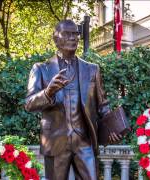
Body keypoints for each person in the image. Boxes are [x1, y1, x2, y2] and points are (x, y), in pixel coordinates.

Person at [25, 20, 121, 180]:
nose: (73, 37)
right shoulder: (41, 69)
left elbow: (103, 105)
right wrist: (48, 92)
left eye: (76, 34)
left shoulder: (92, 69)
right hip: (55, 141)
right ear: (55, 39)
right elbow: (28, 104)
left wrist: (111, 128)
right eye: (67, 34)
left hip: (84, 142)